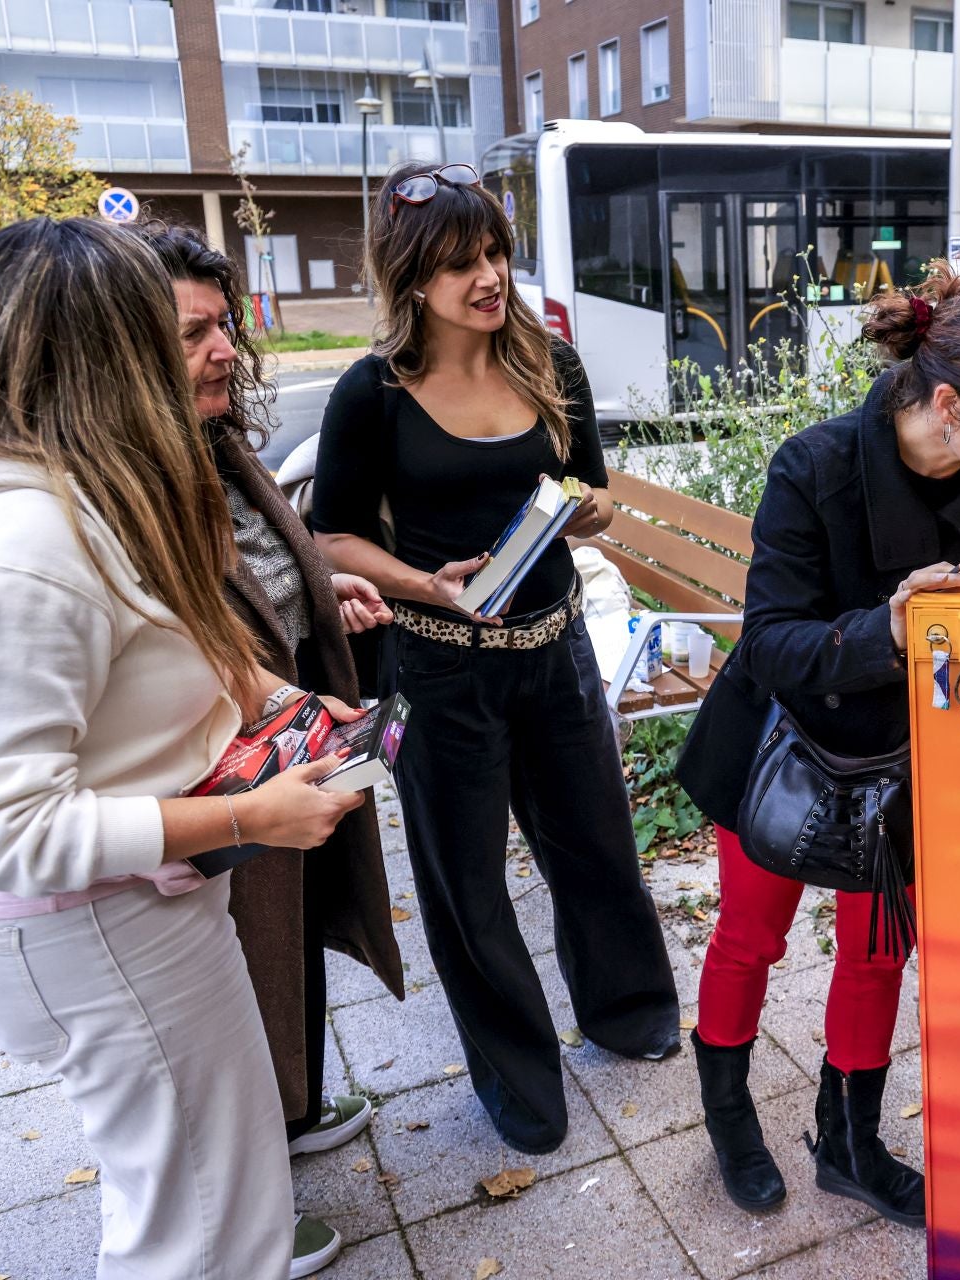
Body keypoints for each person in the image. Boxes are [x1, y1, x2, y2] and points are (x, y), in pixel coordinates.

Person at [0, 217, 364, 1278]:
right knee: (202, 1232)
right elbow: (5, 827)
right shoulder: (12, 552)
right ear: (93, 359)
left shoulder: (65, 495)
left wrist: (283, 707)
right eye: (162, 338)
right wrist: (249, 816)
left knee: (202, 1196)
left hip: (128, 911)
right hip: (92, 930)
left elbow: (179, 637)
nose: (207, 354)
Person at [676, 262, 960, 1224]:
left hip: (905, 766)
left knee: (876, 956)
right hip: (778, 749)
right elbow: (770, 644)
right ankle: (729, 1118)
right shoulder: (812, 467)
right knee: (749, 938)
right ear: (948, 403)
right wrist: (889, 630)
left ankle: (850, 1144)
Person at [310, 161, 681, 1154]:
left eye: (496, 252)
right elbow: (332, 537)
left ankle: (630, 1006)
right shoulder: (372, 393)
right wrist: (428, 584)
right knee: (465, 884)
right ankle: (519, 1078)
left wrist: (591, 511)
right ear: (411, 278)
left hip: (553, 650)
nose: (489, 276)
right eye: (460, 262)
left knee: (598, 845)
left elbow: (589, 490)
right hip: (437, 670)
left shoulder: (550, 364)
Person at [137, 219, 407, 1276]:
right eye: (195, 331)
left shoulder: (212, 434)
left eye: (225, 324)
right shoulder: (130, 474)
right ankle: (242, 1221)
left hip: (288, 729)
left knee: (286, 943)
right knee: (229, 978)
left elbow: (257, 567)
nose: (222, 350)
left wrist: (319, 586)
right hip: (213, 773)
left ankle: (289, 1113)